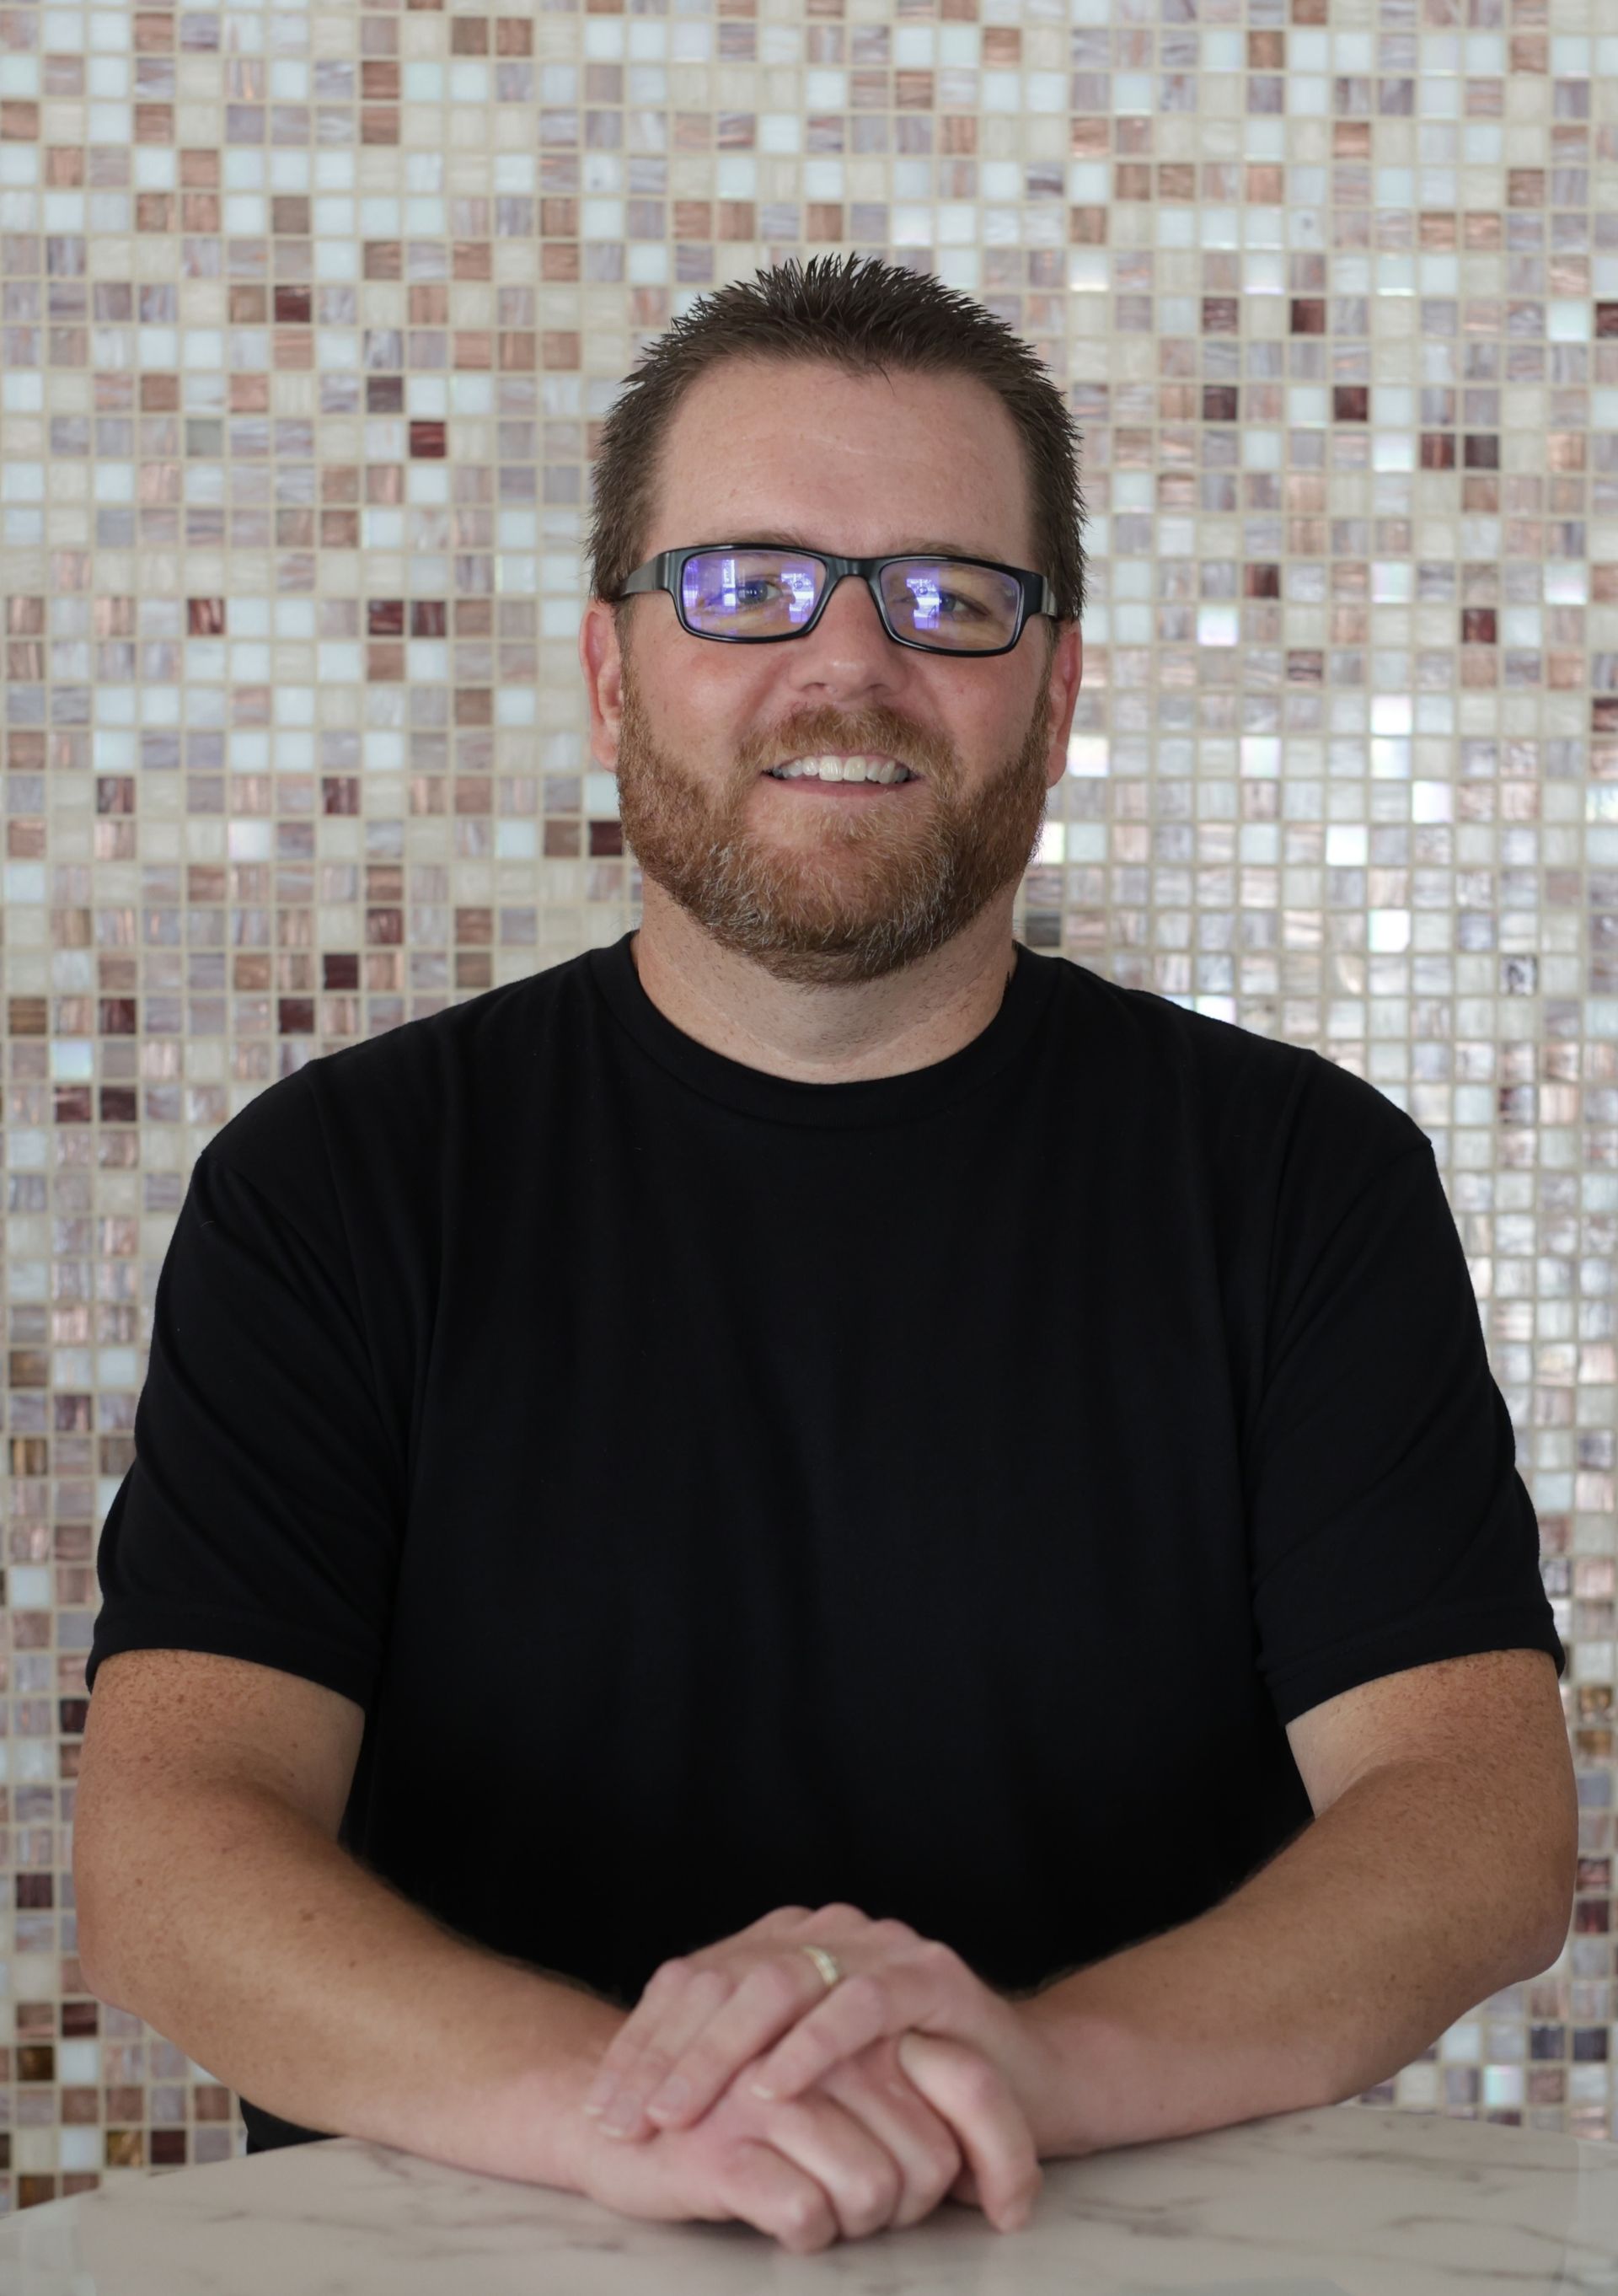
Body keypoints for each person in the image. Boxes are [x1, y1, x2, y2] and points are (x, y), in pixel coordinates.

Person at [76, 255, 1570, 2256]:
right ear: (614, 670)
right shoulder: (335, 1187)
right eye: (746, 584)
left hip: (1112, 2240)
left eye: (949, 596)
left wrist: (1033, 2068)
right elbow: (172, 1844)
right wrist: (633, 2119)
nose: (847, 666)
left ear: (1058, 682)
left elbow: (1472, 1818)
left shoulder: (1305, 1181)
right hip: (488, 2247)